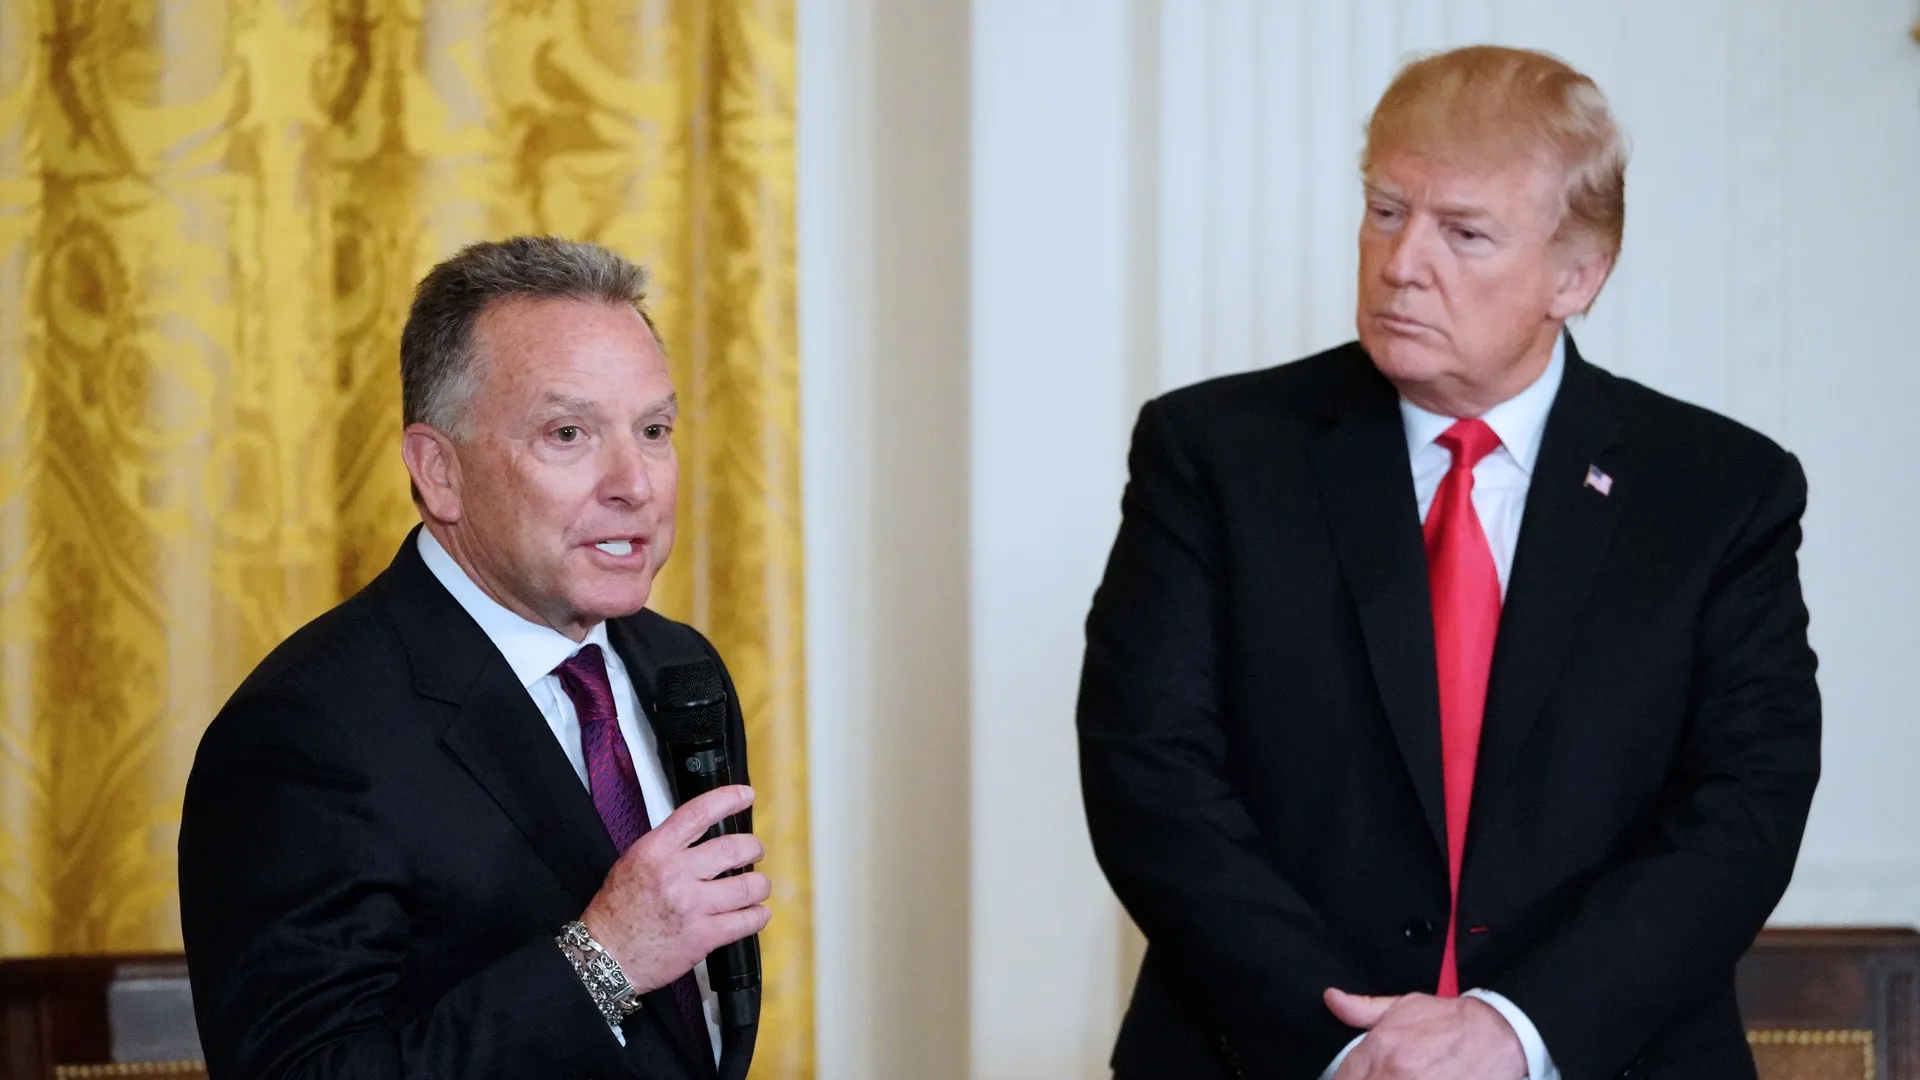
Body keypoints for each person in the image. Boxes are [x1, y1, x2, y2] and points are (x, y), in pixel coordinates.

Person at [1077, 46, 1820, 1080]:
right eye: (1386, 211)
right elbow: (1149, 773)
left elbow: (1745, 802)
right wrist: (1353, 1045)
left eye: (1463, 233)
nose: (1402, 261)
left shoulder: (1717, 491)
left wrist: (1516, 1030)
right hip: (1266, 1052)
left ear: (1577, 276)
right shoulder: (1214, 454)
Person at [179, 236, 769, 1080]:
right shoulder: (306, 732)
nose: (634, 483)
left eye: (653, 429)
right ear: (439, 471)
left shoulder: (678, 668)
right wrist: (603, 961)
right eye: (569, 433)